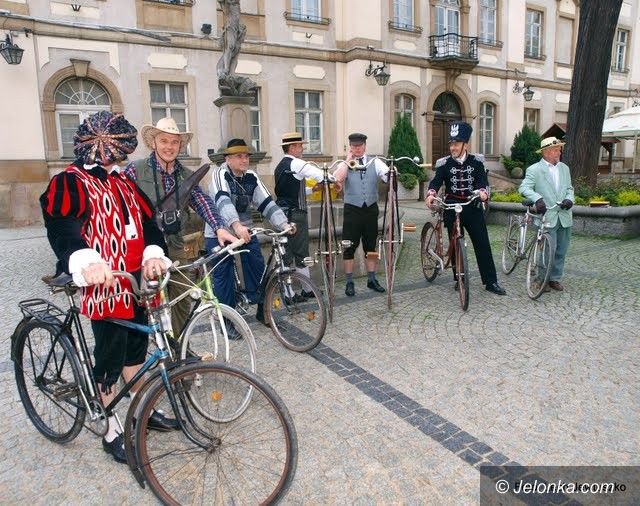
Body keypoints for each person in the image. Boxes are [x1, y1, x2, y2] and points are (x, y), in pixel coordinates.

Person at [39, 111, 178, 464]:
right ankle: (111, 427)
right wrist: (84, 259)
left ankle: (143, 408)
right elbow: (62, 225)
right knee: (109, 357)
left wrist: (153, 253)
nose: (119, 160)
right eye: (116, 154)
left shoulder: (123, 181)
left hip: (135, 282)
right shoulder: (70, 181)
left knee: (136, 350)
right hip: (104, 284)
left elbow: (148, 223)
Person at [124, 117, 236, 336]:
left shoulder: (185, 175)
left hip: (175, 244)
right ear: (153, 143)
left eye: (174, 142)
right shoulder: (135, 170)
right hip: (143, 247)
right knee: (142, 302)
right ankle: (147, 348)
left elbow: (202, 202)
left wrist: (219, 227)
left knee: (183, 297)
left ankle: (178, 346)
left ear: (180, 146)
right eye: (164, 141)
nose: (169, 146)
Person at [204, 138, 295, 326]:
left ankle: (263, 310)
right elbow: (222, 200)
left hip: (245, 231)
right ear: (228, 159)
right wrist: (236, 225)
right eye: (239, 156)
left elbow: (266, 203)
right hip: (220, 231)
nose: (244, 160)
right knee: (224, 275)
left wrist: (284, 224)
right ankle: (227, 322)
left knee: (258, 267)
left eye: (246, 156)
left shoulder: (251, 176)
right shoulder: (220, 174)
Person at [426, 121, 506, 295]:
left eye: (456, 144)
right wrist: (431, 194)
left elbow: (482, 181)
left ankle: (491, 282)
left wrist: (483, 192)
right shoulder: (444, 164)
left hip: (472, 206)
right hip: (451, 207)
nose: (452, 147)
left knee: (482, 243)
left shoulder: (476, 162)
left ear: (465, 145)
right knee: (455, 244)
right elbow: (436, 181)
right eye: (451, 144)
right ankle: (459, 278)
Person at [274, 131, 340, 298]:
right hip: (296, 214)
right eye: (300, 146)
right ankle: (300, 291)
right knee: (301, 253)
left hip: (282, 214)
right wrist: (334, 180)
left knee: (286, 252)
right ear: (292, 147)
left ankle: (292, 292)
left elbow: (293, 191)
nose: (302, 149)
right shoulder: (297, 163)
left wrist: (313, 189)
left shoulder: (280, 166)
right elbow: (319, 173)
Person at [333, 132, 389, 297]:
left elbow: (387, 175)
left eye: (359, 146)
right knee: (349, 246)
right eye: (354, 146)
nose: (357, 149)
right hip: (352, 210)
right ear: (350, 147)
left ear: (365, 146)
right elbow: (337, 178)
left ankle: (371, 279)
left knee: (371, 246)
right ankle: (349, 282)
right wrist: (347, 160)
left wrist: (391, 173)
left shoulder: (374, 161)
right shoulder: (345, 163)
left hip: (370, 209)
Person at [519, 136, 574, 291]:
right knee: (547, 250)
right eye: (556, 150)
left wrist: (570, 199)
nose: (559, 152)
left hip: (564, 215)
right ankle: (541, 279)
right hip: (547, 215)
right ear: (546, 152)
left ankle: (554, 278)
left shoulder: (564, 168)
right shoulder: (534, 169)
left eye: (559, 149)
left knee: (561, 249)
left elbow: (569, 188)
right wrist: (537, 198)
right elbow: (524, 188)